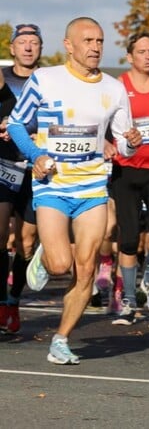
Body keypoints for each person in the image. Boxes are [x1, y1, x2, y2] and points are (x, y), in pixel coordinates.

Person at [8, 17, 142, 363]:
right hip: (52, 184)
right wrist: (36, 155)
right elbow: (18, 124)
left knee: (85, 268)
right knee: (59, 265)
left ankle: (61, 339)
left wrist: (130, 143)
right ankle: (46, 253)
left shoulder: (113, 89)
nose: (95, 47)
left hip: (93, 185)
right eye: (87, 41)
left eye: (99, 41)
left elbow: (125, 144)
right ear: (69, 45)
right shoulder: (45, 79)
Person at [108, 32, 149, 325]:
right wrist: (107, 144)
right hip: (126, 168)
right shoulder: (118, 86)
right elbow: (103, 121)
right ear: (130, 57)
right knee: (129, 235)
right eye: (142, 52)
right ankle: (129, 299)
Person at [0, 23, 43, 334]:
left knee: (27, 243)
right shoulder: (2, 79)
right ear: (12, 48)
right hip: (3, 164)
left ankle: (14, 300)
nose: (28, 47)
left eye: (34, 42)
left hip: (34, 169)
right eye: (22, 42)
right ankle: (1, 301)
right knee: (0, 236)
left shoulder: (50, 82)